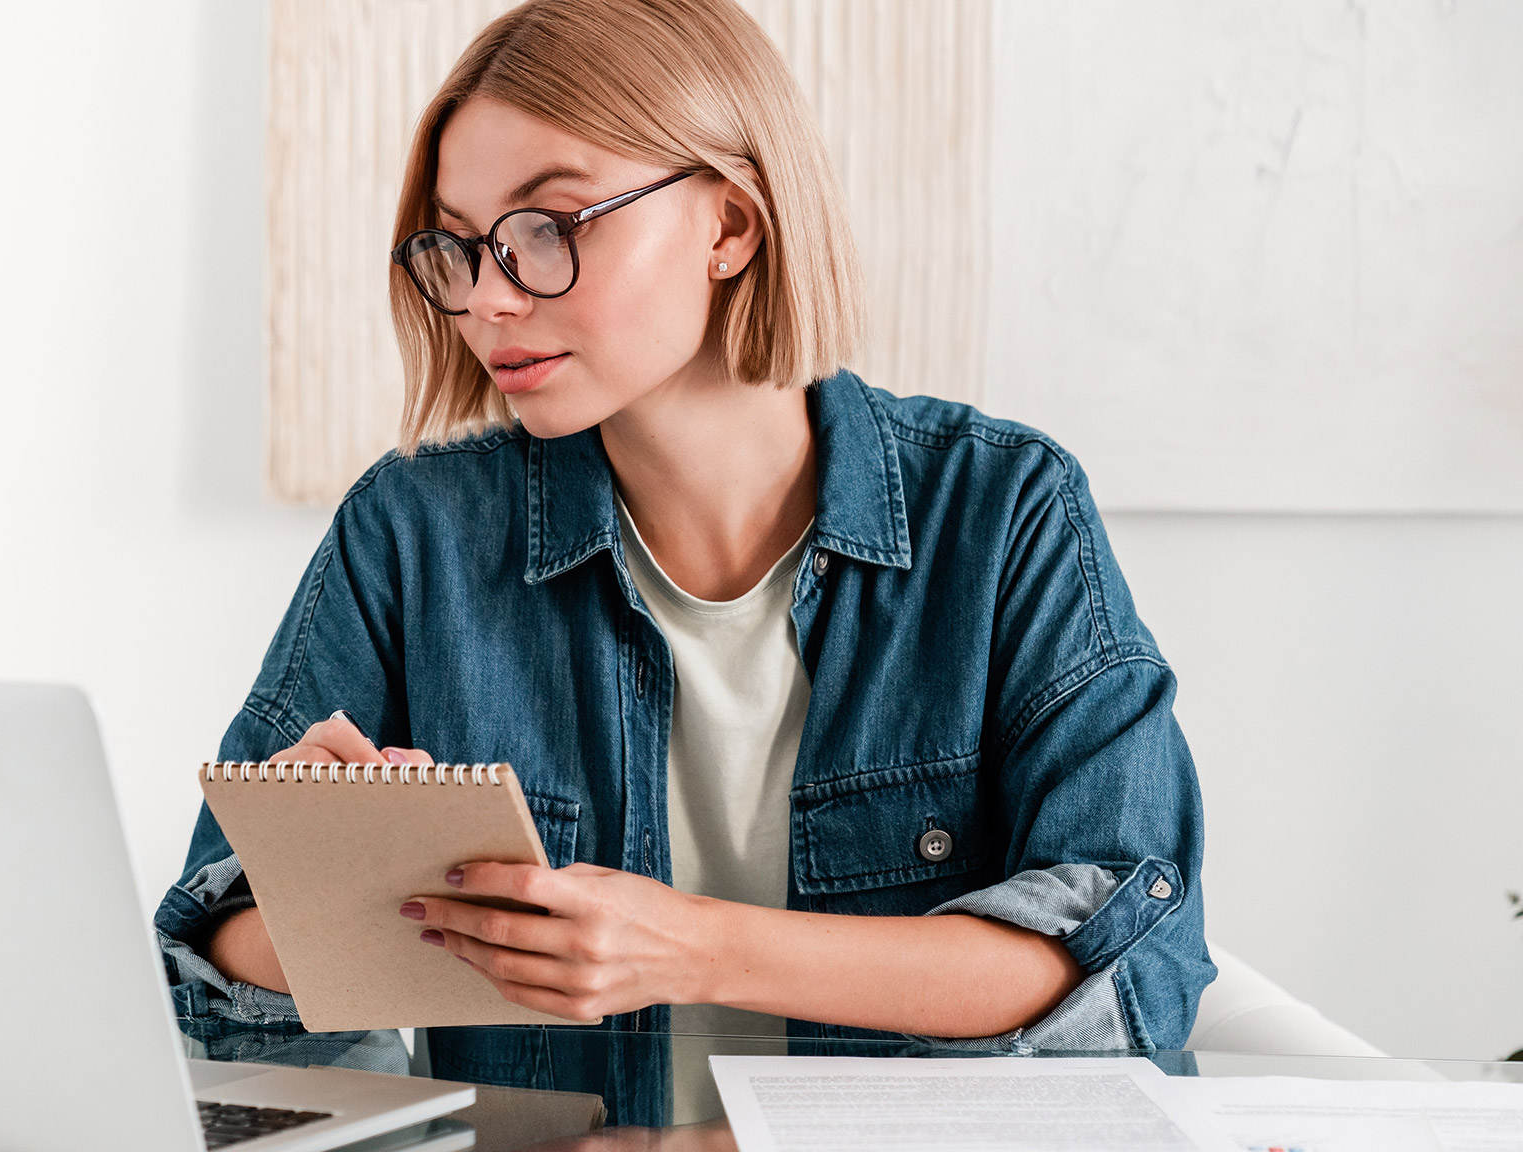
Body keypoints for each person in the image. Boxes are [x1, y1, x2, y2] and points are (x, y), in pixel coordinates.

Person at [155, 0, 1213, 1126]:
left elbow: (1127, 959)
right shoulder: (411, 533)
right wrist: (354, 882)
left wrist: (690, 949)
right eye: (460, 245)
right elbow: (208, 959)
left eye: (550, 226)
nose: (490, 296)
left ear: (731, 225)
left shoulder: (999, 513)